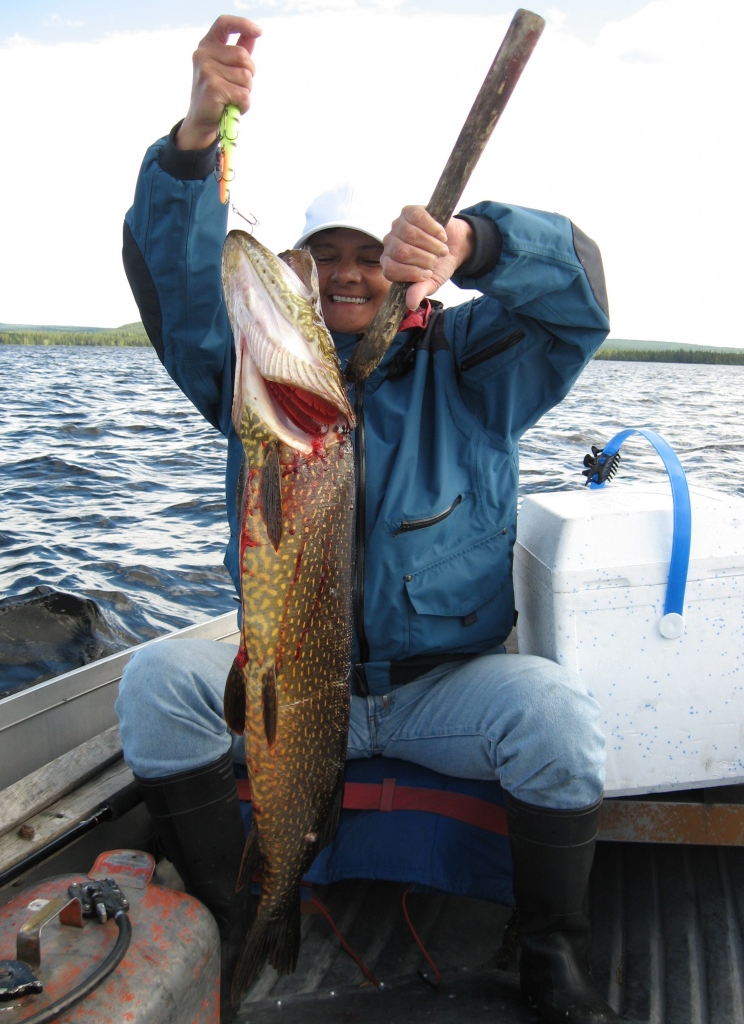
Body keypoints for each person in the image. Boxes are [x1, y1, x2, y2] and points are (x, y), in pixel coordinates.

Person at [117, 15, 623, 1024]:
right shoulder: (250, 381)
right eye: (326, 256)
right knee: (153, 686)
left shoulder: (474, 367)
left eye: (367, 255)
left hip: (442, 690)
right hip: (297, 690)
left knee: (558, 719)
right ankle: (239, 916)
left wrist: (477, 242)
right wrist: (197, 135)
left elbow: (579, 304)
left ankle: (549, 951)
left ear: (402, 264)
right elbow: (175, 284)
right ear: (305, 268)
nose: (347, 273)